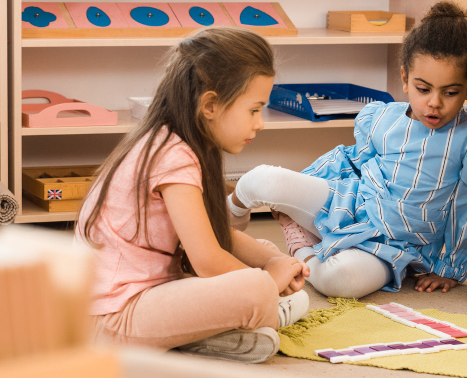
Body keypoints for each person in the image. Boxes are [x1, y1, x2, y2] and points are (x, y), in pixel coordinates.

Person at [230, 1, 467, 298]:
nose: (435, 102)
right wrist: (301, 188)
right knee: (262, 179)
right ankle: (222, 227)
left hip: (397, 246)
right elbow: (349, 161)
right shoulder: (382, 118)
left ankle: (299, 250)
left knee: (340, 280)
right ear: (405, 78)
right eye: (423, 89)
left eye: (450, 92)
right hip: (350, 204)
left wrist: (451, 269)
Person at [76, 27, 310, 363]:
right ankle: (256, 317)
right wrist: (269, 280)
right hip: (112, 319)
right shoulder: (173, 155)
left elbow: (215, 237)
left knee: (266, 254)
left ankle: (208, 335)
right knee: (257, 289)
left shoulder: (177, 142)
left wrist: (272, 262)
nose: (260, 123)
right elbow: (207, 260)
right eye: (254, 110)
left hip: (146, 296)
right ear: (211, 105)